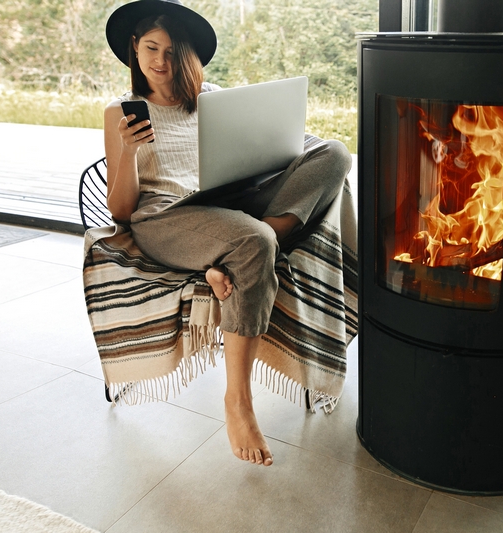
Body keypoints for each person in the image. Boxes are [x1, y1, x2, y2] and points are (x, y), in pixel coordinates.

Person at [103, 0, 352, 467]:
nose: (160, 61)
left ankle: (241, 249)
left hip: (227, 204)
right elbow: (121, 211)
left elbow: (253, 156)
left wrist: (268, 157)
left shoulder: (212, 98)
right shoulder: (120, 111)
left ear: (189, 56)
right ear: (134, 48)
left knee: (334, 153)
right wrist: (126, 151)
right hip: (165, 219)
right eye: (151, 48)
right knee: (253, 241)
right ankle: (238, 401)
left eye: (173, 52)